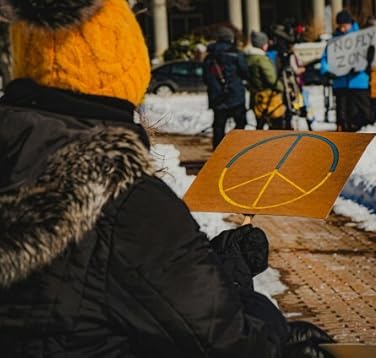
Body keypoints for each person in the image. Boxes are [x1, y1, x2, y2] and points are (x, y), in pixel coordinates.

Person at [0, 1, 333, 356]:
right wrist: (269, 322)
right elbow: (227, 341)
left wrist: (221, 261)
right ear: (127, 64)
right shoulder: (125, 199)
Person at [321, 10, 371, 131]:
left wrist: (359, 66)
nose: (343, 29)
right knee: (343, 115)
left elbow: (367, 56)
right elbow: (325, 59)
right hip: (341, 83)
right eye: (340, 26)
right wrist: (327, 70)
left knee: (362, 114)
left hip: (358, 82)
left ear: (350, 24)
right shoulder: (334, 41)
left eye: (345, 26)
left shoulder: (360, 38)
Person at [203, 27, 248, 149]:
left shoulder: (210, 57)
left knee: (218, 126)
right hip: (235, 95)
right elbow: (245, 72)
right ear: (230, 39)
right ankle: (238, 147)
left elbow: (205, 77)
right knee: (241, 123)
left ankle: (218, 151)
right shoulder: (236, 54)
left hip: (217, 97)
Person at [246, 31, 289, 130]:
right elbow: (271, 79)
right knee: (276, 127)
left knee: (260, 125)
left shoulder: (249, 58)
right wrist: (281, 88)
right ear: (262, 45)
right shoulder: (261, 59)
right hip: (268, 97)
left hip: (256, 96)